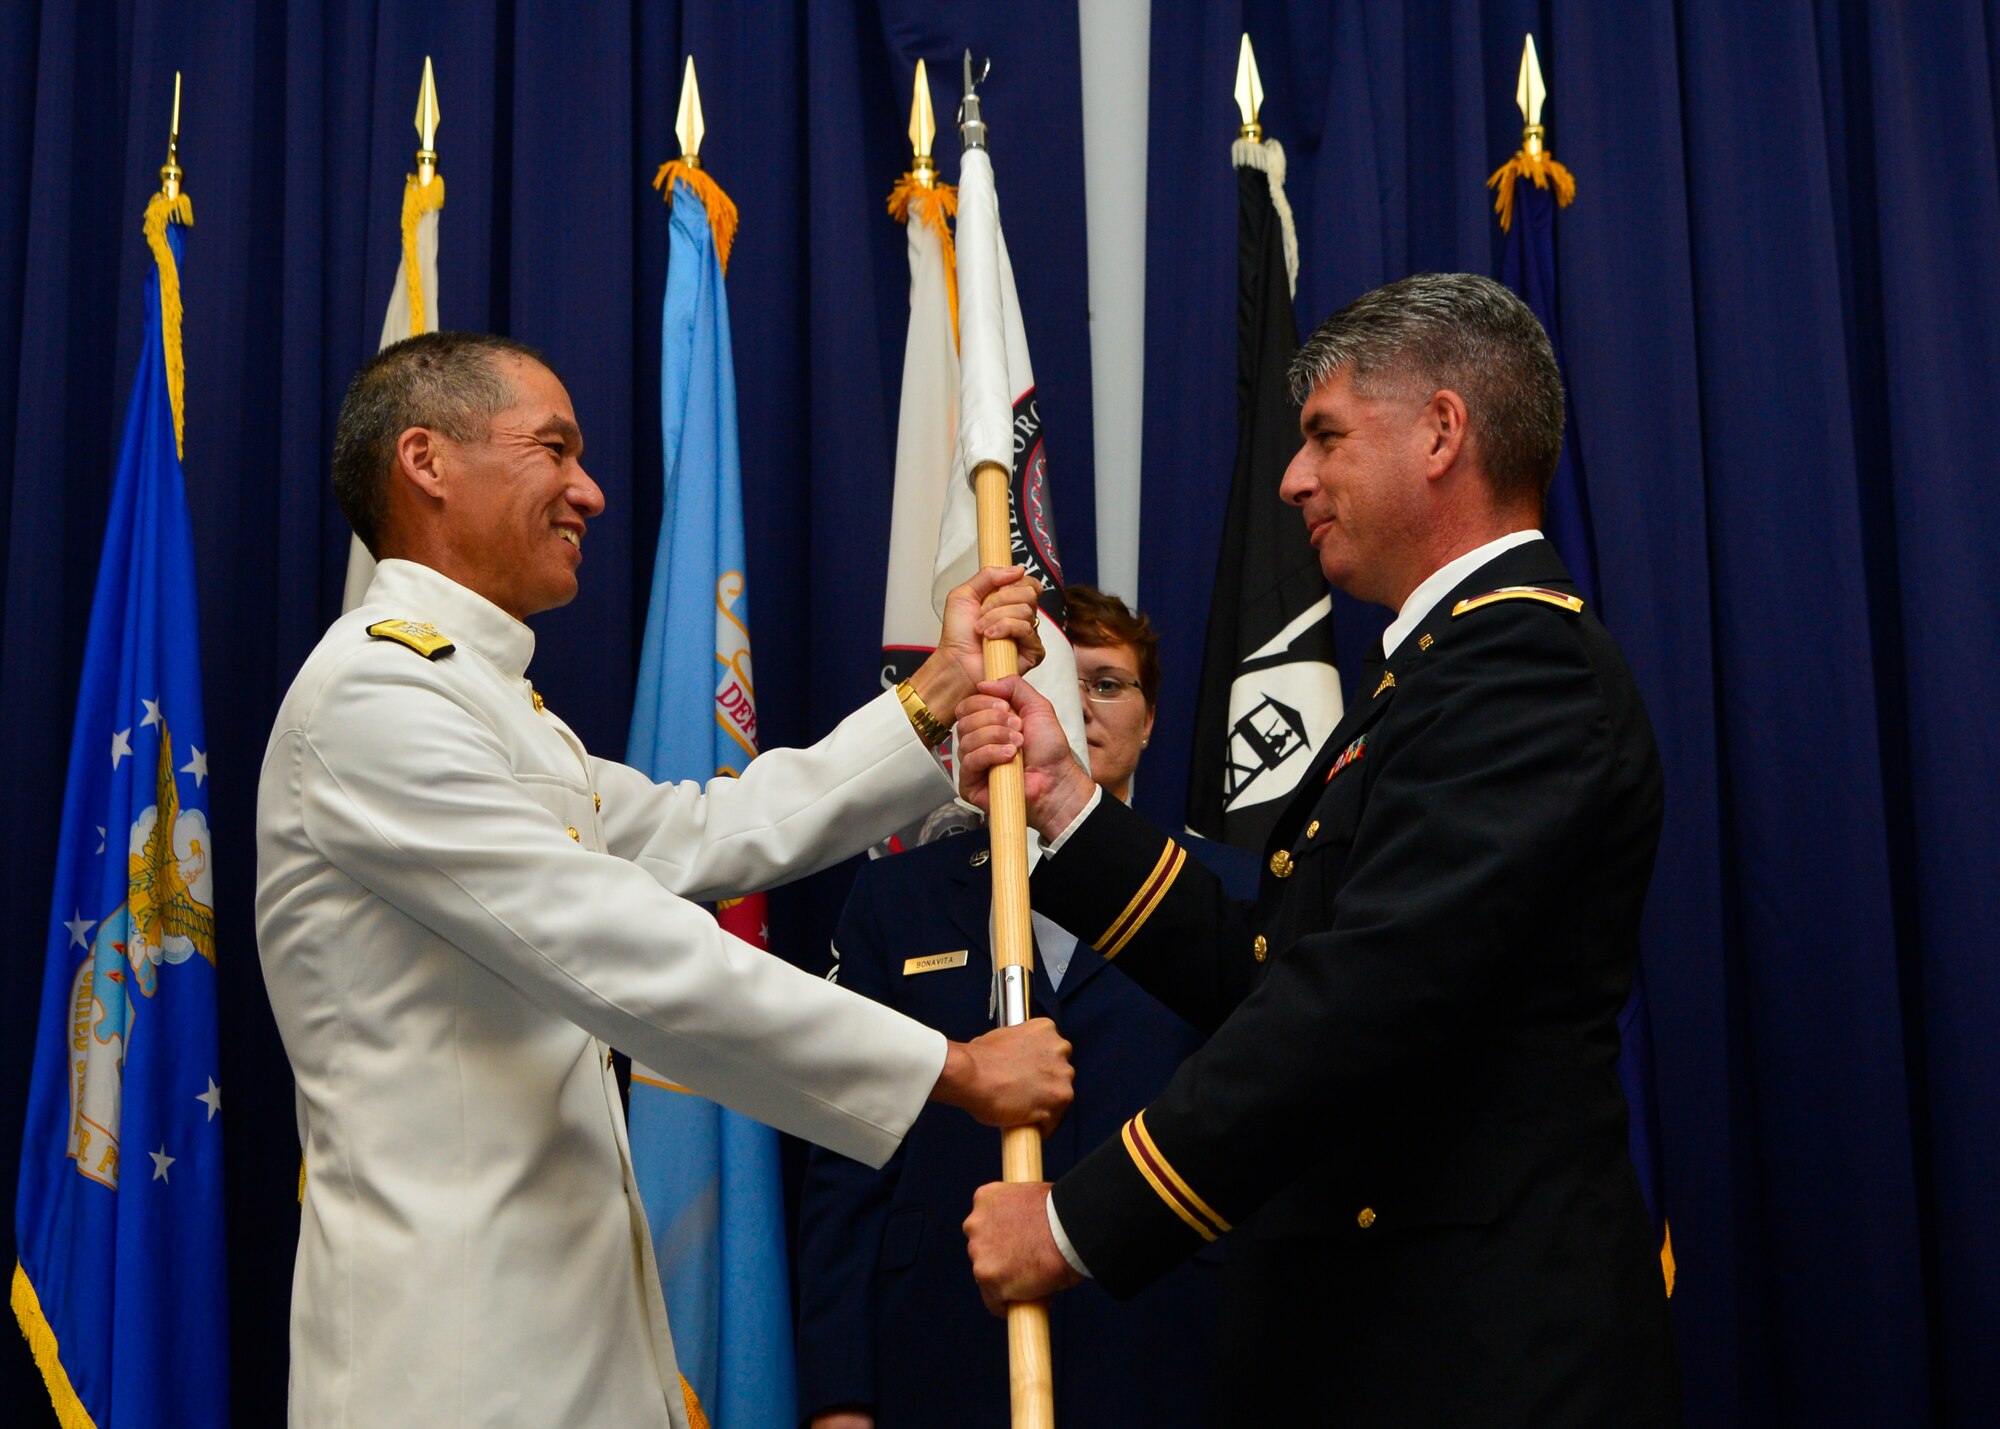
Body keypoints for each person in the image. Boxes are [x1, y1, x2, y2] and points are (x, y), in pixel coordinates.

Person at [255, 331, 1074, 1429]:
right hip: (449, 1363)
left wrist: (931, 698)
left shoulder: (488, 707)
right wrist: (953, 1065)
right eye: (554, 448)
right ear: (426, 461)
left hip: (577, 1334)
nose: (589, 491)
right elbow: (618, 945)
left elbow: (701, 831)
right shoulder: (373, 700)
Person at [956, 274, 1683, 1424]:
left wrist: (1075, 1220)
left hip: (1472, 1356)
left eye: (1324, 437)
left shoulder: (1518, 672)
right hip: (1385, 1339)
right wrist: (1060, 804)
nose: (1292, 477)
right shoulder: (1434, 672)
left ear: (1440, 431)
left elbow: (1359, 1000)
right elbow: (1273, 970)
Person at [795, 588, 1249, 1429]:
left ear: (1152, 721)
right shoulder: (896, 899)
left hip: (1166, 1339)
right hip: (941, 1341)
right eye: (1045, 675)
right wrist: (838, 1394)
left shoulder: (1230, 896)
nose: (1074, 703)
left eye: (1107, 682)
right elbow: (848, 1154)